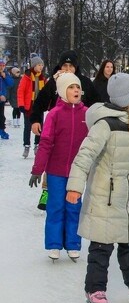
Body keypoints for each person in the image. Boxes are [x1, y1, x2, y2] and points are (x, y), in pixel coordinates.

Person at [66, 73, 129, 303]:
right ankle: (95, 289)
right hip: (104, 197)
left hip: (126, 200)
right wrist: (75, 186)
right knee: (101, 248)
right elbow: (84, 156)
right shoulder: (104, 125)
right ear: (128, 101)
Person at [29, 50, 100, 211]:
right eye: (64, 65)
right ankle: (47, 192)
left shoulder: (84, 83)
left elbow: (98, 104)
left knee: (76, 164)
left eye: (71, 66)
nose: (68, 69)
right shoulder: (54, 82)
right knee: (54, 159)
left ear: (76, 67)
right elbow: (39, 102)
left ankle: (76, 196)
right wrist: (35, 120)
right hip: (56, 128)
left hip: (79, 130)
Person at [29, 73, 88, 261]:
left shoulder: (86, 114)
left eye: (77, 87)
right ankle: (54, 244)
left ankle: (72, 243)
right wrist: (38, 169)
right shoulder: (54, 114)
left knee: (73, 208)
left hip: (77, 173)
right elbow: (45, 142)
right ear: (63, 91)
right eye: (71, 87)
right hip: (55, 171)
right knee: (55, 207)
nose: (76, 90)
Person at [17, 56, 47, 158]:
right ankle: (26, 145)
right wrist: (21, 105)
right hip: (29, 107)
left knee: (39, 127)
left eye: (42, 65)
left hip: (39, 107)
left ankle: (37, 145)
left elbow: (46, 92)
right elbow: (21, 92)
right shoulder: (27, 77)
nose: (41, 67)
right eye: (39, 65)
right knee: (27, 127)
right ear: (34, 66)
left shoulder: (43, 78)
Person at [0, 58, 14, 139]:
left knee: (1, 116)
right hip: (1, 97)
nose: (2, 67)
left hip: (2, 100)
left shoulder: (5, 74)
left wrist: (5, 77)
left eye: (3, 65)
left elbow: (11, 83)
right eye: (0, 65)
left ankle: (2, 130)